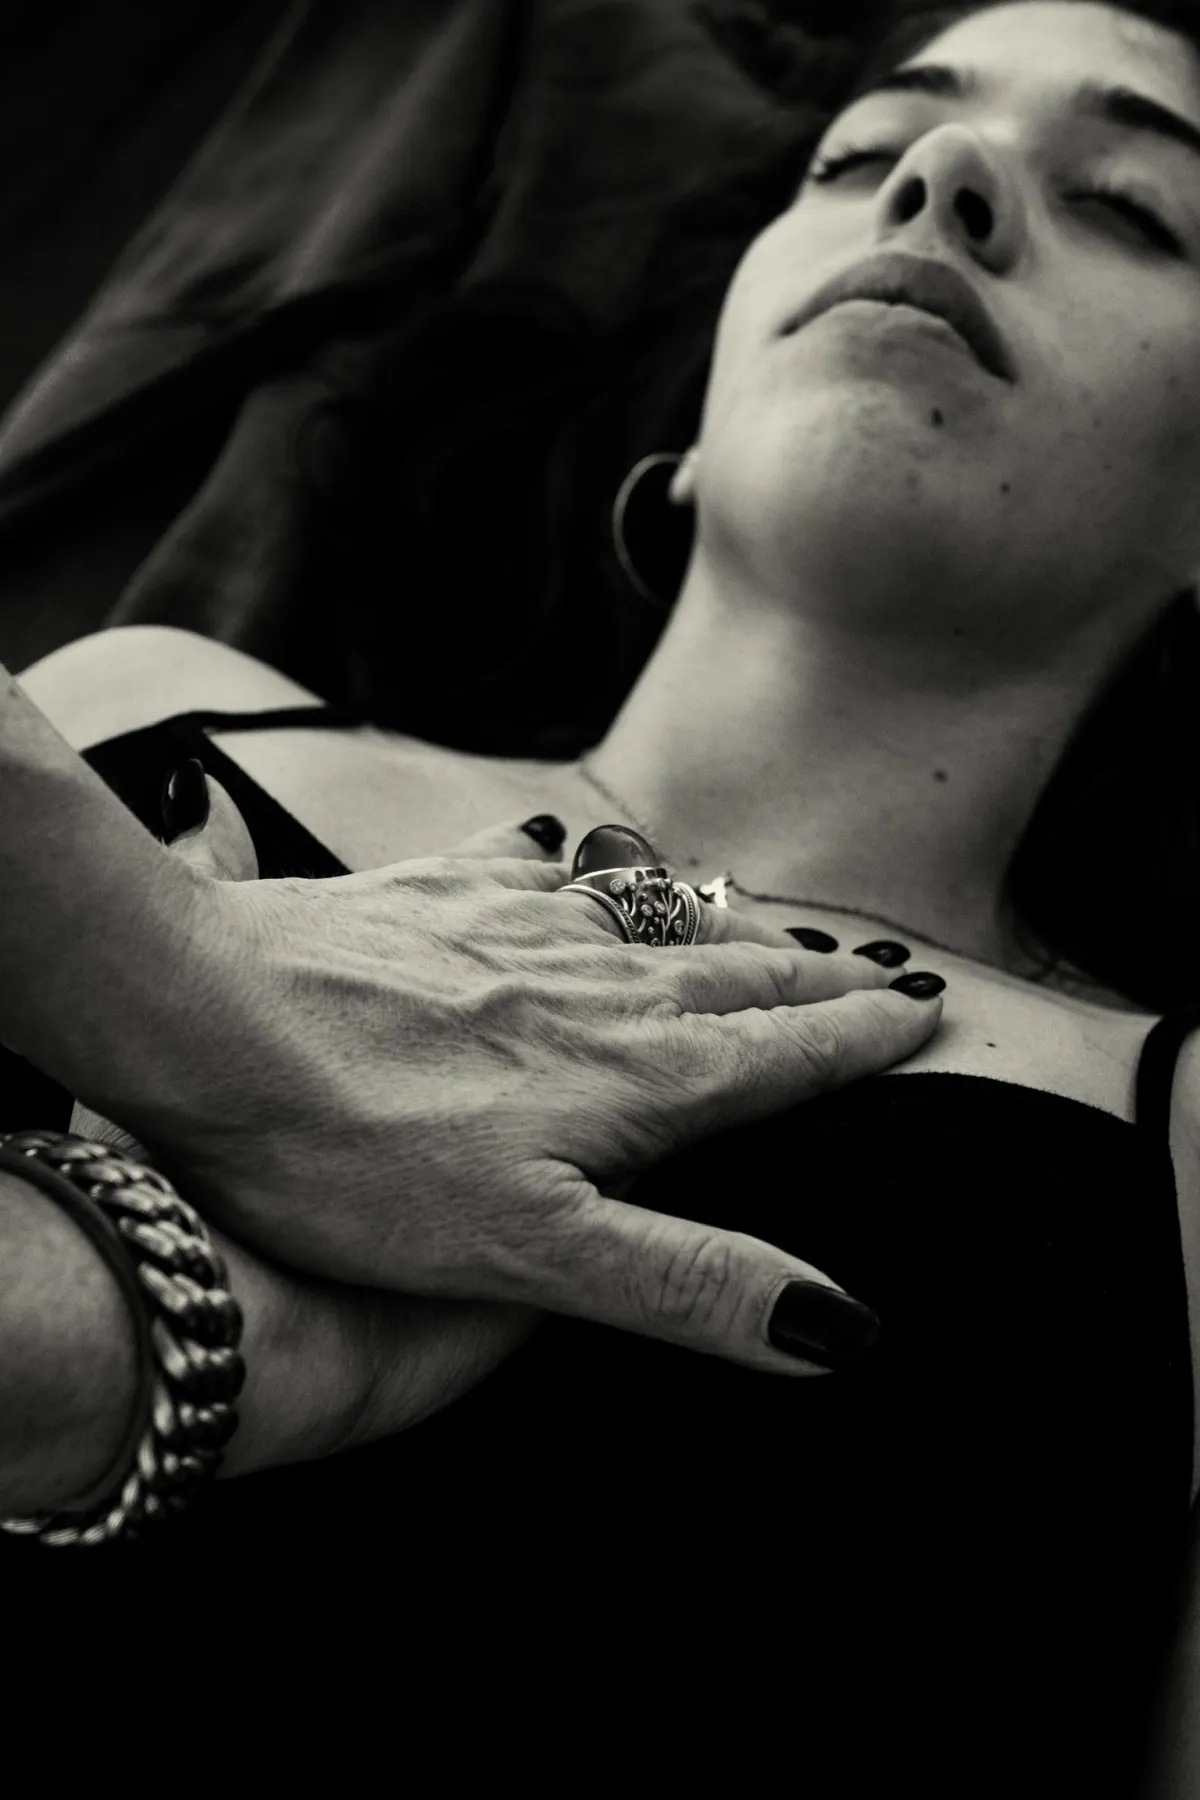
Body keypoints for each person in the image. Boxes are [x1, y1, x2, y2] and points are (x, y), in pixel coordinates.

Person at [4, 0, 1199, 1791]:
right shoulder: (143, 714)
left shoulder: (1182, 1135)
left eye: (1129, 204)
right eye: (860, 154)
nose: (943, 178)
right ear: (695, 415)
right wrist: (173, 985)